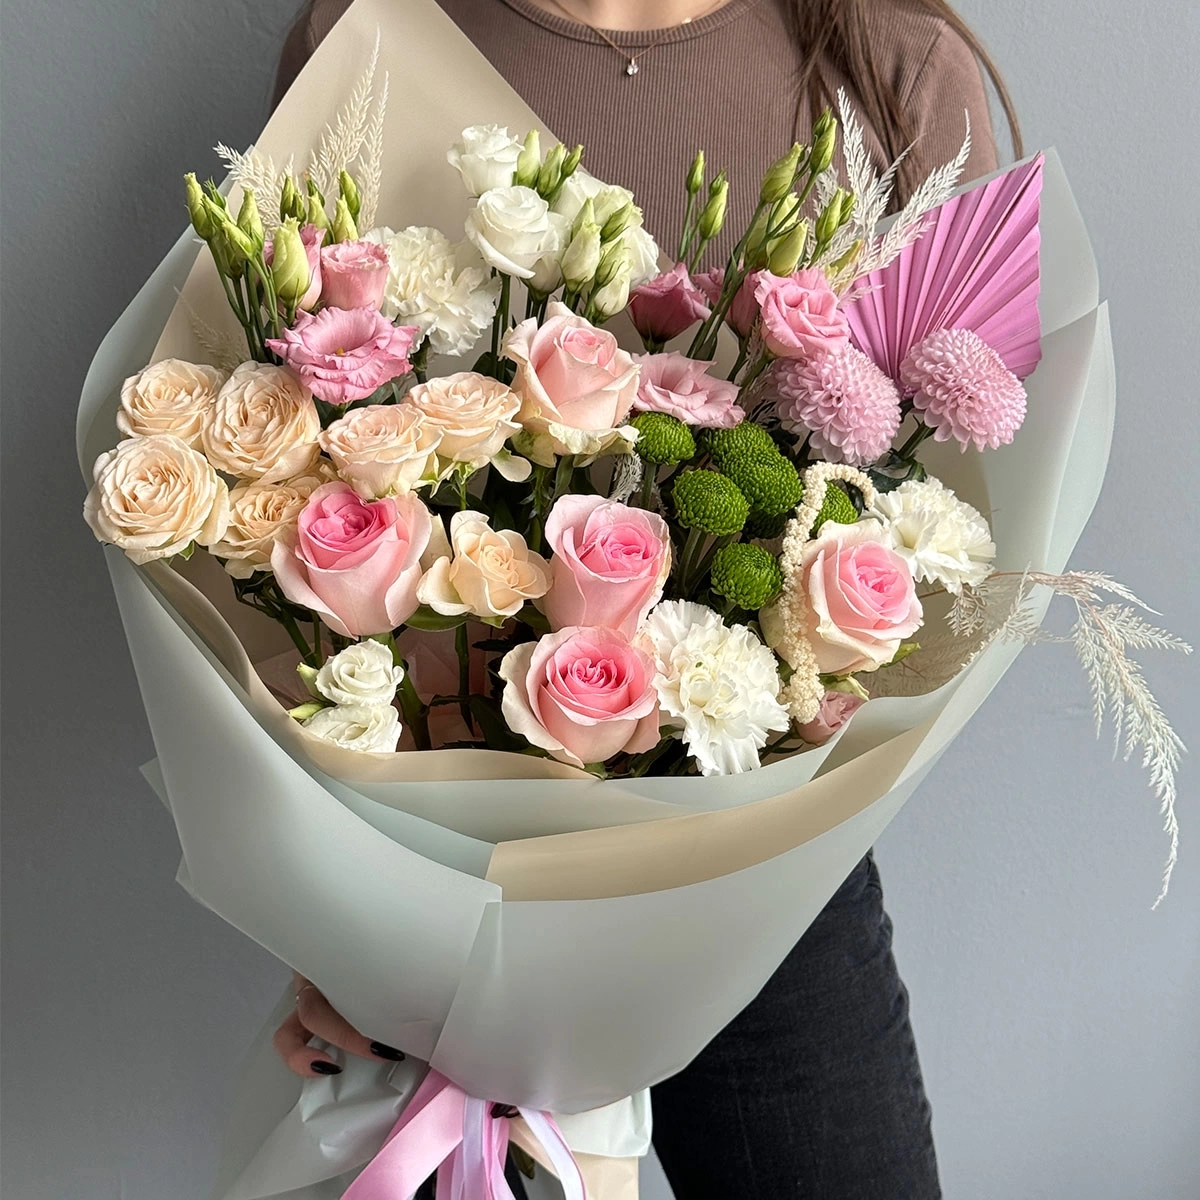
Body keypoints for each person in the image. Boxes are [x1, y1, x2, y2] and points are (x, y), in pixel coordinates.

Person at [270, 2, 1021, 1196]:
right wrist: (330, 919)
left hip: (771, 884)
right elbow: (296, 485)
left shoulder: (887, 66)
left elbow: (952, 525)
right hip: (462, 887)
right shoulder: (373, 35)